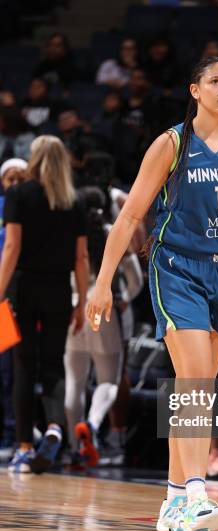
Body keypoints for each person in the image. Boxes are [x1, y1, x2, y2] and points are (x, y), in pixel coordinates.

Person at [86, 56, 218, 531]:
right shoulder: (171, 143)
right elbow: (129, 217)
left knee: (197, 389)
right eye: (215, 81)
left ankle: (171, 501)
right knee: (193, 381)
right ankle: (194, 492)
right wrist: (103, 281)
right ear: (194, 90)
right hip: (177, 268)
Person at [0, 136, 89, 474]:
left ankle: (23, 446)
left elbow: (12, 248)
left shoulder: (18, 194)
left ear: (33, 159)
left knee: (23, 366)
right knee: (53, 364)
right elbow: (81, 257)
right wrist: (80, 300)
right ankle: (53, 425)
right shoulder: (75, 201)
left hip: (23, 288)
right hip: (58, 291)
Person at [64, 187, 143, 467]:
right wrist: (124, 299)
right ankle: (94, 425)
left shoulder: (70, 233)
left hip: (74, 309)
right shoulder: (114, 231)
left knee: (74, 382)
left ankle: (75, 448)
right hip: (105, 311)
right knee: (108, 380)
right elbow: (135, 280)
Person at [0, 158, 27, 459]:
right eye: (9, 178)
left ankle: (13, 434)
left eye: (20, 178)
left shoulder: (30, 207)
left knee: (12, 371)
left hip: (14, 297)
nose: (14, 183)